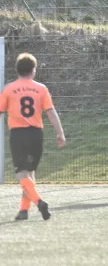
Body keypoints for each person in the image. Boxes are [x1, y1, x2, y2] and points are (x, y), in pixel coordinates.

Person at [0, 53, 66, 221]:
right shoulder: (41, 88)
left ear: (17, 70)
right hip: (36, 134)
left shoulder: (9, 88)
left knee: (21, 174)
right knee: (30, 172)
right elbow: (51, 112)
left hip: (18, 134)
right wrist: (60, 133)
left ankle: (39, 202)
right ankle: (23, 210)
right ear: (33, 70)